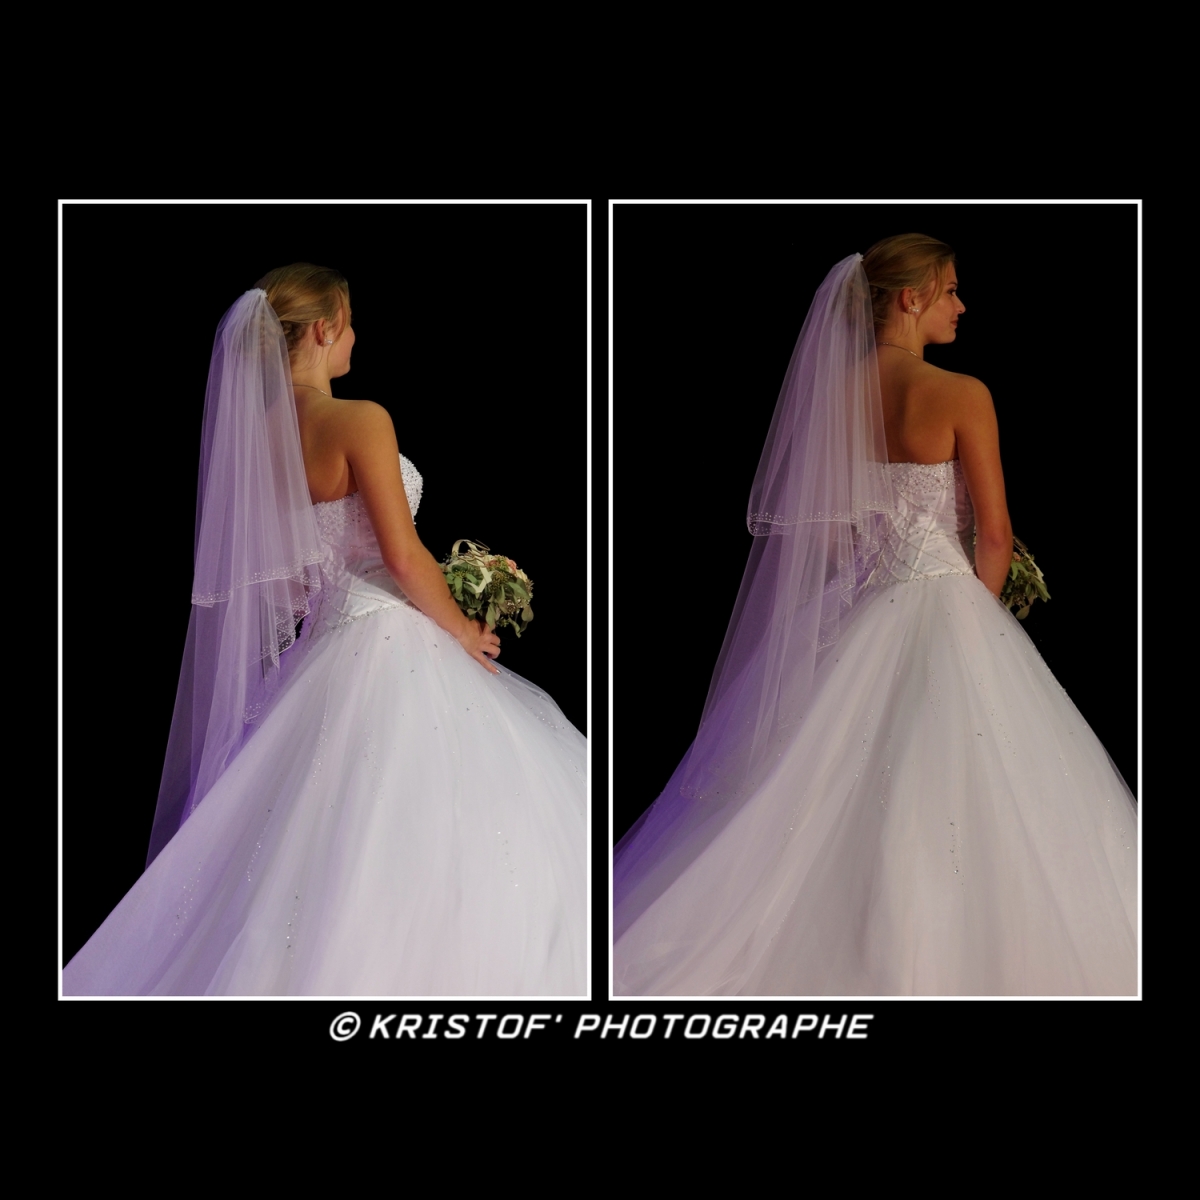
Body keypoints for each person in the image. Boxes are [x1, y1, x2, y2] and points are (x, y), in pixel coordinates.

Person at [613, 235, 1136, 997]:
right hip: (946, 601)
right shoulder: (961, 393)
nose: (961, 305)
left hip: (855, 608)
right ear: (910, 297)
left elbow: (827, 538)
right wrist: (979, 622)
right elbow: (994, 535)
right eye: (950, 290)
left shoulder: (833, 395)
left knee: (810, 783)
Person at [64, 264, 586, 996]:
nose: (355, 336)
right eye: (350, 321)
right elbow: (402, 555)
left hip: (328, 641)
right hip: (390, 634)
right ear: (322, 328)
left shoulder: (257, 441)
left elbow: (290, 582)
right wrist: (464, 629)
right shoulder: (361, 419)